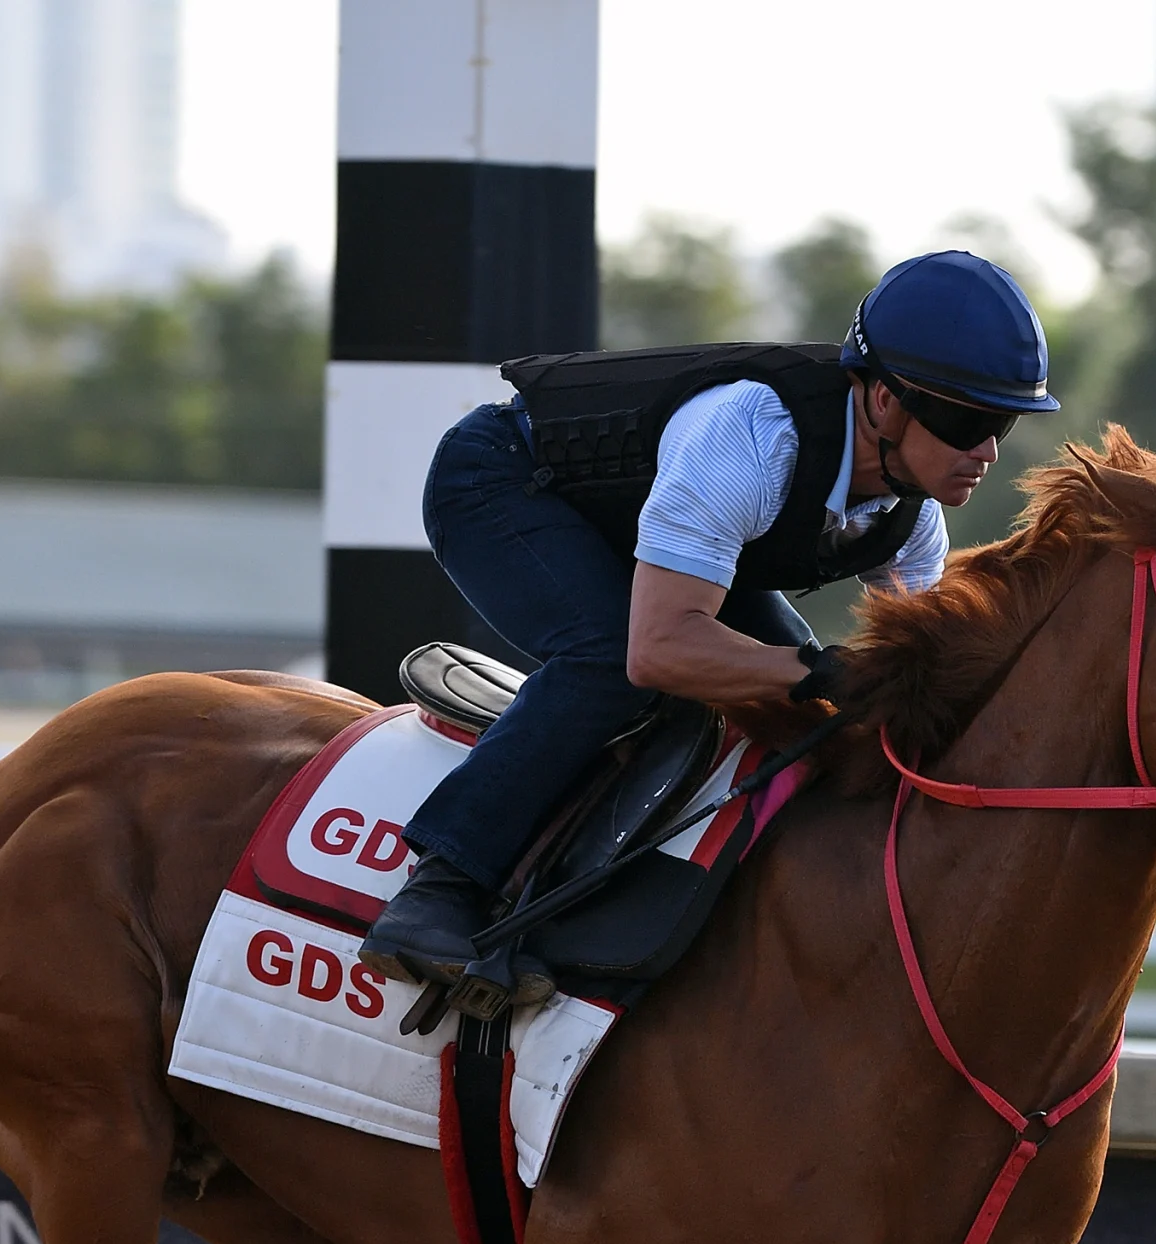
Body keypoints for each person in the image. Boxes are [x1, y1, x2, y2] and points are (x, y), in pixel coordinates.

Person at [360, 250, 1061, 1002]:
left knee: (809, 707)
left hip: (638, 530)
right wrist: (819, 671)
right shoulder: (752, 438)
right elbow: (658, 648)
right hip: (503, 482)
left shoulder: (910, 517)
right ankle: (441, 887)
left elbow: (927, 682)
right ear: (884, 400)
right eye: (966, 419)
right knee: (610, 659)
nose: (985, 451)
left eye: (1004, 425)